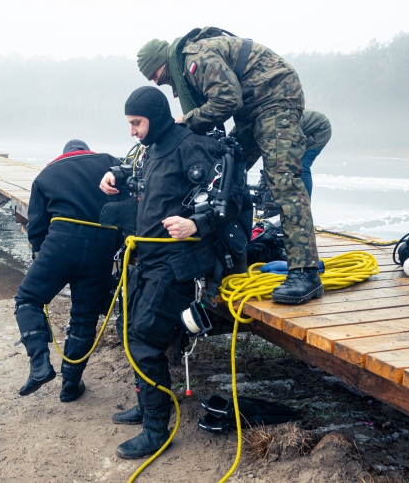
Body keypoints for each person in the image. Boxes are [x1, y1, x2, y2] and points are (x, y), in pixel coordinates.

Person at [100, 86, 243, 459]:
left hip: (178, 264)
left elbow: (230, 198)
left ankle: (156, 430)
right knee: (129, 331)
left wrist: (197, 223)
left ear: (156, 117)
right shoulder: (151, 149)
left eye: (137, 123)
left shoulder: (191, 145)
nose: (132, 131)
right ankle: (148, 406)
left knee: (145, 340)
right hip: (146, 260)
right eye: (130, 124)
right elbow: (146, 185)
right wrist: (115, 176)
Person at [135, 27, 325, 305]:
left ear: (162, 64)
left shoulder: (194, 58)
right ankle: (233, 251)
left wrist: (186, 122)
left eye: (155, 74)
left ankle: (305, 273)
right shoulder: (186, 62)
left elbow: (227, 99)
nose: (158, 81)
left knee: (284, 183)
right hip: (253, 109)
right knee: (229, 167)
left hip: (275, 99)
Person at [13, 139, 122, 404]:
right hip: (102, 246)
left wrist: (41, 254)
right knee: (84, 318)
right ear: (87, 150)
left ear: (65, 154)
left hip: (62, 242)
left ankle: (40, 365)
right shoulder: (110, 162)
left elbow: (37, 225)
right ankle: (70, 385)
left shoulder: (46, 174)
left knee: (28, 300)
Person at [297, 110, 332, 198]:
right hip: (310, 129)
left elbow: (298, 140)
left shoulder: (289, 122)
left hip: (321, 130)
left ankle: (306, 202)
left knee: (303, 166)